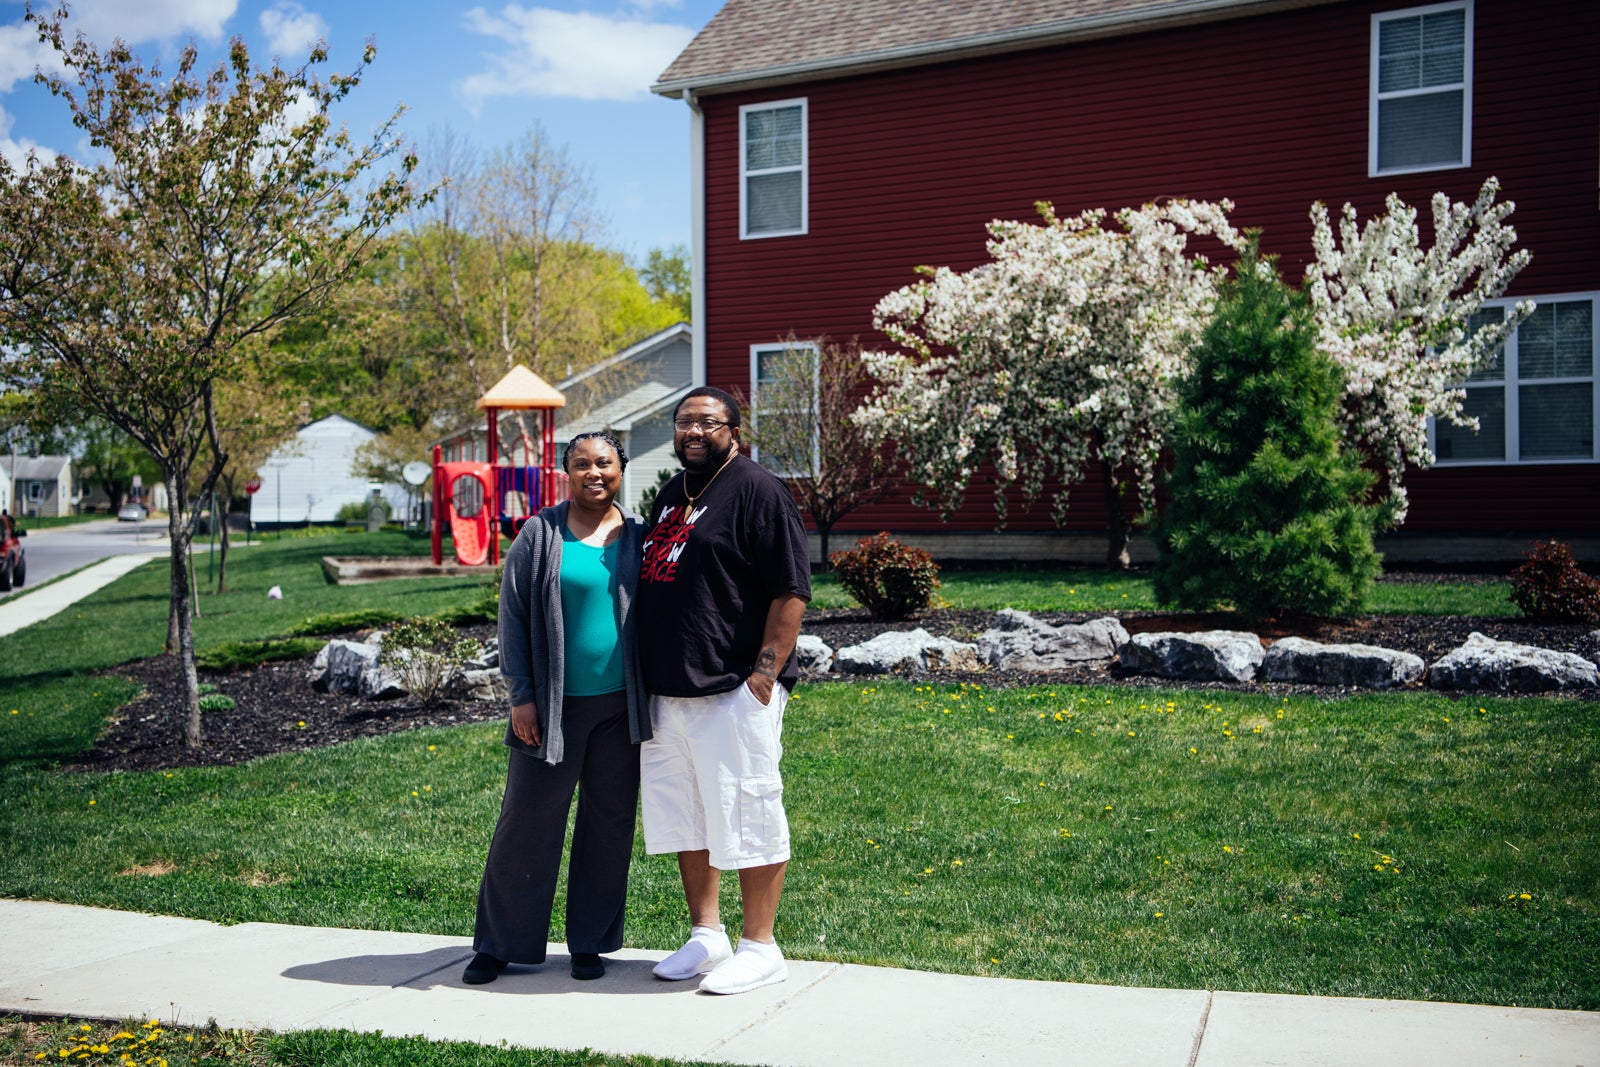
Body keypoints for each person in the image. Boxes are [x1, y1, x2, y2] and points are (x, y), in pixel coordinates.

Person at [636, 386, 811, 995]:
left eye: (708, 422)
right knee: (688, 814)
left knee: (748, 807)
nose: (693, 431)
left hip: (733, 686)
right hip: (670, 689)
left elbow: (791, 590)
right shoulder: (670, 493)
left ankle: (761, 947)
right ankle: (705, 934)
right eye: (684, 422)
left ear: (734, 430)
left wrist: (764, 674)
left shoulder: (759, 491)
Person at [462, 431, 650, 985]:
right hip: (551, 708)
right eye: (583, 464)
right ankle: (499, 945)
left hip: (622, 710)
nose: (595, 473)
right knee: (527, 821)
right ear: (566, 471)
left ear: (621, 469)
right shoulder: (539, 533)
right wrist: (521, 697)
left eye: (606, 463)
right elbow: (513, 617)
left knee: (610, 824)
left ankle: (589, 943)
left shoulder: (640, 536)